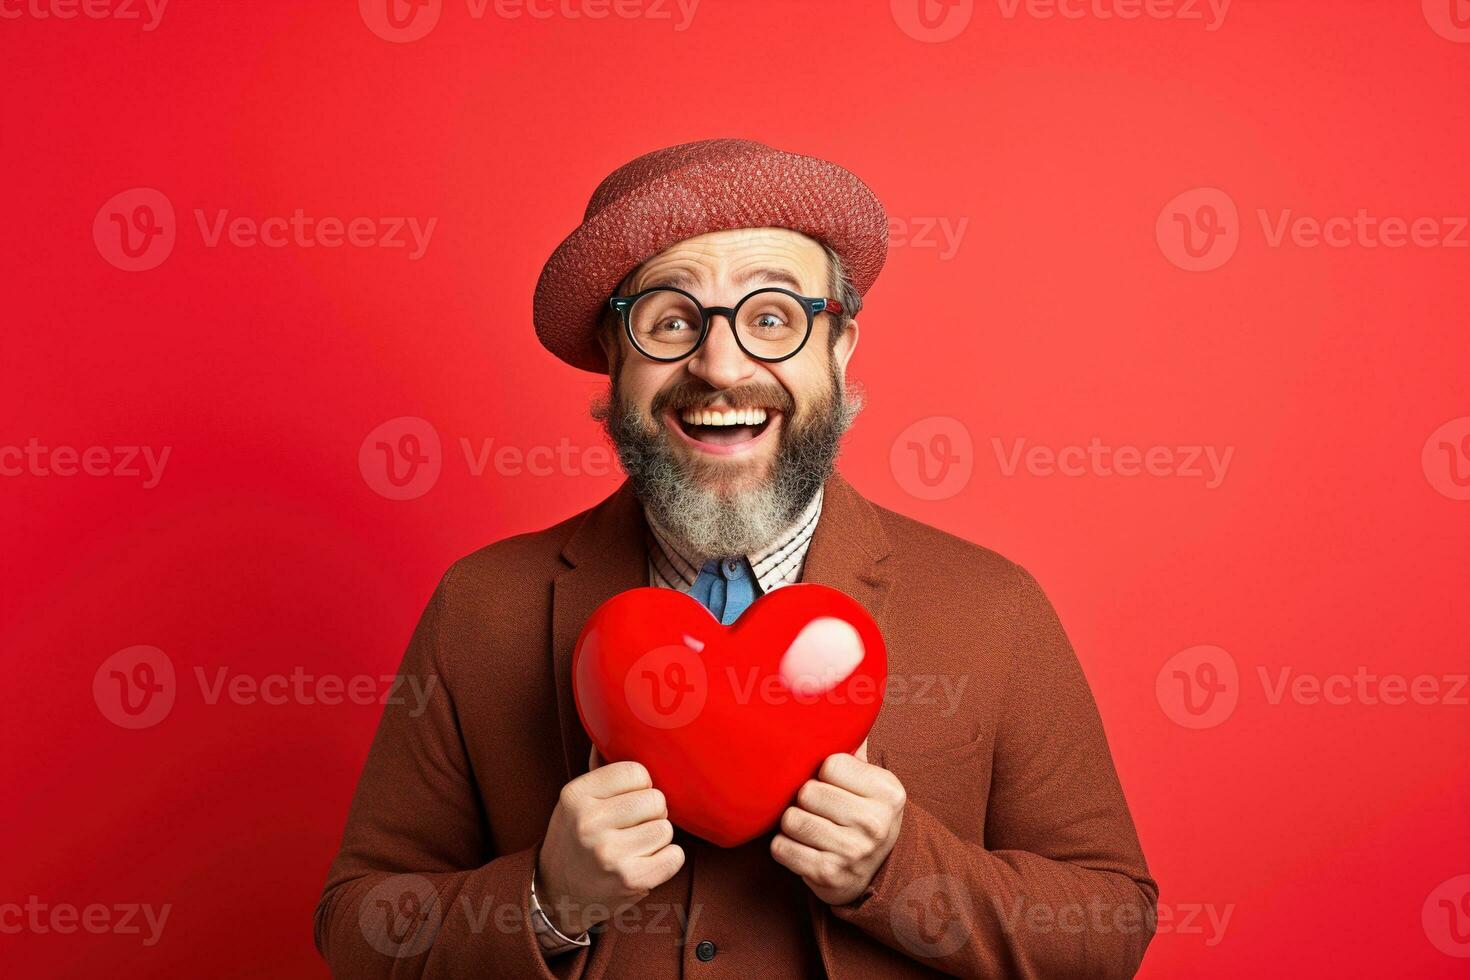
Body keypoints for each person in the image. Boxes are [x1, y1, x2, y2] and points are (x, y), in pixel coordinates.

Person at [315, 138, 1157, 978]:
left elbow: (1112, 923)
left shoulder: (993, 606)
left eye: (771, 319)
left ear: (840, 348)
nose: (721, 367)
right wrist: (544, 899)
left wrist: (902, 872)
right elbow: (357, 925)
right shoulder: (481, 604)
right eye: (671, 320)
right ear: (615, 356)